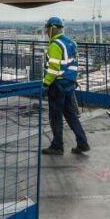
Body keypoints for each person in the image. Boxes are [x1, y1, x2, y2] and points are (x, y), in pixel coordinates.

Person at [41, 16, 89, 156]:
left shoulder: (55, 45)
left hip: (57, 85)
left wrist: (45, 84)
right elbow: (73, 64)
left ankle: (57, 146)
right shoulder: (71, 43)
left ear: (52, 29)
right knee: (71, 115)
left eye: (47, 29)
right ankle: (82, 143)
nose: (46, 32)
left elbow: (53, 69)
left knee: (55, 116)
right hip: (69, 84)